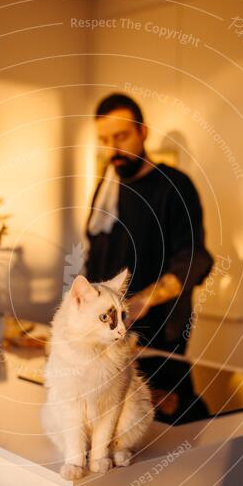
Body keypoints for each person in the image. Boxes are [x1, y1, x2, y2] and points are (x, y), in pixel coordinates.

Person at [84, 93, 213, 354]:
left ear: (142, 132)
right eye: (105, 140)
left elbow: (193, 258)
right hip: (104, 335)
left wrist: (143, 299)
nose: (113, 150)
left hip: (158, 336)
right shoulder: (106, 188)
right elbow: (96, 255)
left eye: (121, 137)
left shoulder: (175, 185)